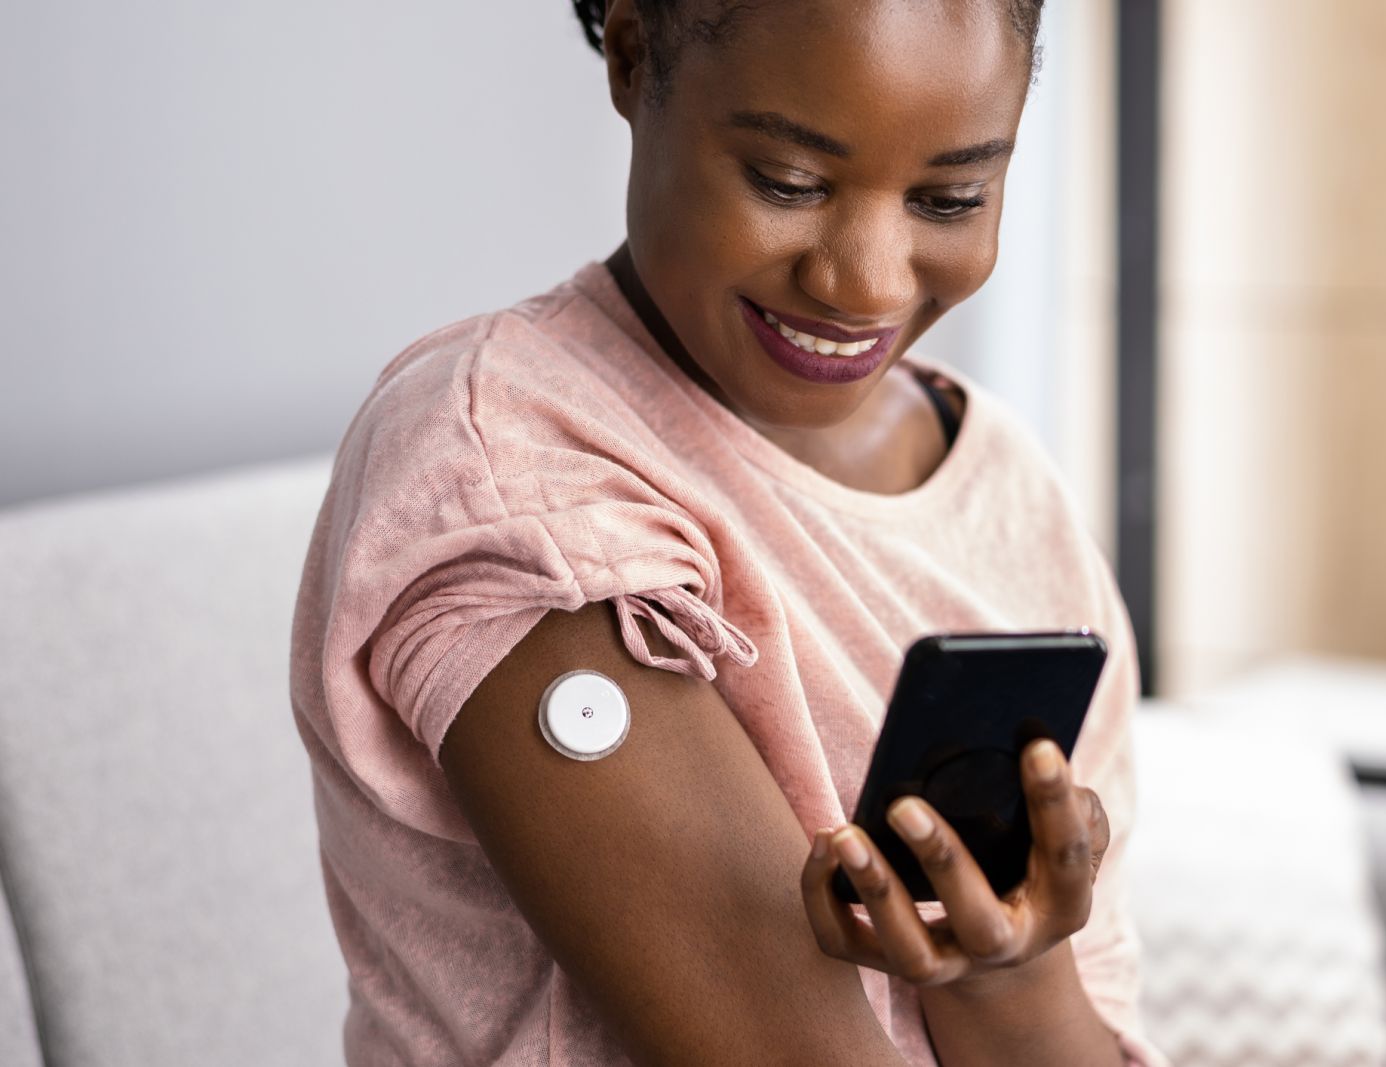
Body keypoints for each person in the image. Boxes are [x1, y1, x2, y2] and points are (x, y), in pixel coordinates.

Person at [289, 0, 1170, 1063]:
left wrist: (1004, 972)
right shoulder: (510, 465)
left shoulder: (1010, 493)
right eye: (790, 183)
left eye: (950, 197)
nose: (865, 279)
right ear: (630, 54)